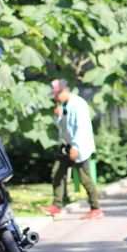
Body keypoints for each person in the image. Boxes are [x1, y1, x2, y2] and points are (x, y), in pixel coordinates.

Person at [42, 79, 103, 220]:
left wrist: (75, 147)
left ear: (65, 90)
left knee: (84, 178)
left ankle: (96, 208)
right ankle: (57, 205)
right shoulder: (65, 105)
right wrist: (58, 116)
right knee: (57, 173)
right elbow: (64, 128)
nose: (55, 98)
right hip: (66, 145)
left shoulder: (78, 104)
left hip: (79, 146)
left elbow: (81, 128)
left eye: (57, 94)